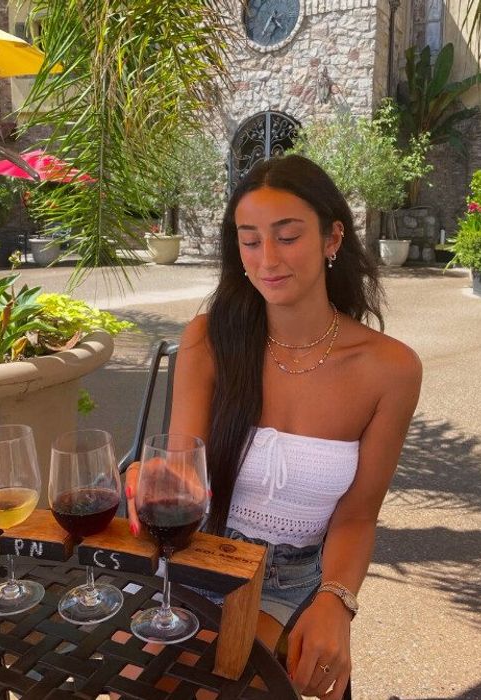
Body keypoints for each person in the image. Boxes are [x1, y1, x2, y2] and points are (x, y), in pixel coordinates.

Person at [126, 155, 422, 700]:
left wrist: (337, 601)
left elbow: (358, 515)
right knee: (129, 680)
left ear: (333, 238)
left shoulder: (390, 369)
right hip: (195, 557)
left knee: (219, 683)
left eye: (287, 237)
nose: (268, 259)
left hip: (293, 581)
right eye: (250, 240)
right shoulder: (209, 339)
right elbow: (183, 468)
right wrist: (156, 477)